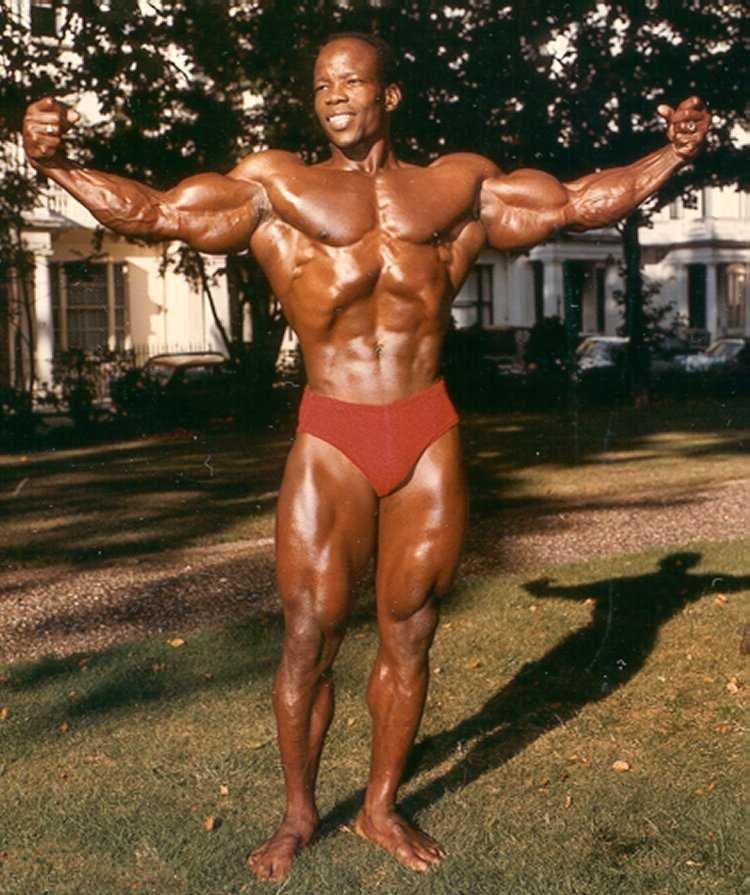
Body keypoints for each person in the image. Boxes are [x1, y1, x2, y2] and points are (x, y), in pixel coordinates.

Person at [22, 31, 710, 882]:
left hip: (425, 427)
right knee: (309, 635)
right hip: (332, 431)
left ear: (389, 96)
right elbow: (156, 211)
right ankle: (299, 813)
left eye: (352, 81)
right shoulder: (276, 186)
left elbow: (573, 202)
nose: (335, 95)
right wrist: (56, 165)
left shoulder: (456, 186)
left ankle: (381, 804)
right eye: (321, 85)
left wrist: (671, 156)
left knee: (410, 631)